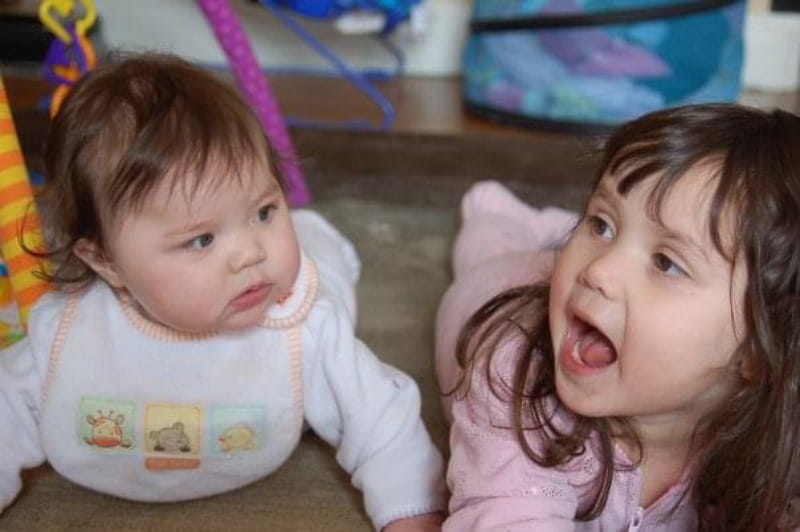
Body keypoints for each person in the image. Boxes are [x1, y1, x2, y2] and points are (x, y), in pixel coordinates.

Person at [0, 53, 445, 532]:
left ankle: (314, 234)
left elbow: (382, 420)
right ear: (106, 262)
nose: (249, 253)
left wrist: (411, 515)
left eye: (264, 211)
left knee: (321, 268)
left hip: (295, 285)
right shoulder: (64, 336)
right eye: (202, 239)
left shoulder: (305, 326)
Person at [435, 104, 800, 531]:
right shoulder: (514, 373)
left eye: (666, 262)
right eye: (601, 223)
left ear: (759, 350)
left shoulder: (780, 427)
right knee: (493, 250)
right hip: (497, 286)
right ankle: (496, 215)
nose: (598, 270)